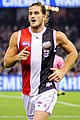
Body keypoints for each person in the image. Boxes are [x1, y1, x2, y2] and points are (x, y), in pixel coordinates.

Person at [4, 2, 78, 120]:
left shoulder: (55, 36)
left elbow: (73, 52)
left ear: (44, 16)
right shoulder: (17, 36)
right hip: (27, 91)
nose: (33, 16)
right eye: (30, 13)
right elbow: (6, 62)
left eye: (36, 13)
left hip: (46, 89)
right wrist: (17, 57)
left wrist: (62, 71)